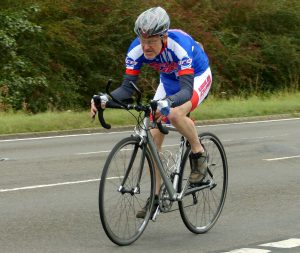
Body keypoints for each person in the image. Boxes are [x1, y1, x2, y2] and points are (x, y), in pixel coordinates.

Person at [91, 6, 212, 218]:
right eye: (142, 40)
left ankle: (198, 153)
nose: (145, 46)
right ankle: (155, 198)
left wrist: (169, 103)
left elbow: (185, 89)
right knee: (152, 135)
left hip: (196, 78)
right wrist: (106, 98)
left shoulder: (179, 45)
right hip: (168, 80)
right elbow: (128, 87)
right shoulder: (136, 48)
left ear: (164, 37)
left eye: (151, 41)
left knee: (175, 115)